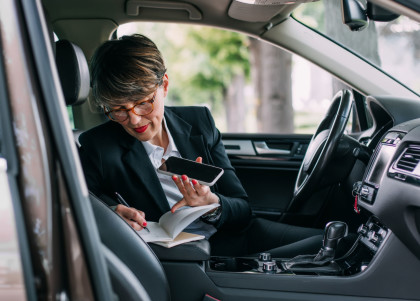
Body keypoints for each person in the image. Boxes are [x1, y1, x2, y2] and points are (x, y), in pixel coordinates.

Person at [79, 34, 323, 257]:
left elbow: (242, 209)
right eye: (119, 110)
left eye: (143, 103)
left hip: (233, 238)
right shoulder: (98, 147)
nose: (133, 119)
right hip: (180, 261)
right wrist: (111, 215)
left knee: (336, 244)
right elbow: (80, 211)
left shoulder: (200, 122)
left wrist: (212, 206)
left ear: (164, 85)